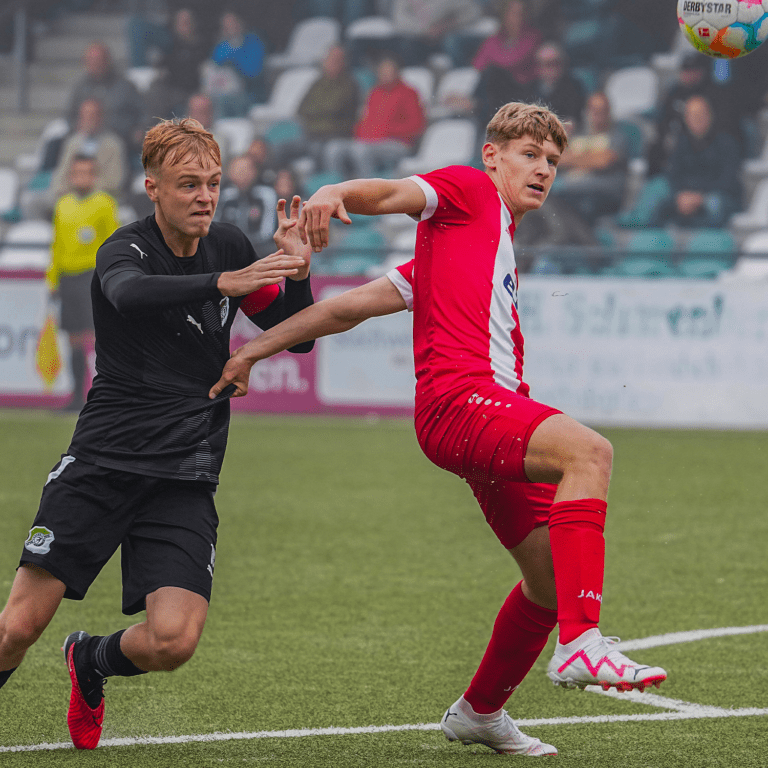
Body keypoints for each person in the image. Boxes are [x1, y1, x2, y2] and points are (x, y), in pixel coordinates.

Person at [210, 101, 667, 757]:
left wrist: (254, 350)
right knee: (590, 453)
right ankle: (582, 643)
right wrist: (338, 191)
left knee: (545, 585)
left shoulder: (466, 246)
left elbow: (345, 310)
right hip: (463, 404)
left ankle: (479, 713)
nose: (543, 170)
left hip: (473, 418)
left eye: (553, 162)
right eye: (529, 155)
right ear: (493, 156)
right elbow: (396, 193)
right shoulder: (470, 189)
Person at [0, 118, 314, 750]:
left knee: (173, 642)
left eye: (214, 184)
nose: (205, 196)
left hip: (184, 477)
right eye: (188, 184)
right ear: (152, 186)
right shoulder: (125, 249)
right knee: (17, 628)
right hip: (102, 464)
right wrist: (222, 284)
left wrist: (298, 270)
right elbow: (128, 294)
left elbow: (298, 335)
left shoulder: (229, 244)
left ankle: (90, 659)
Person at [47, 154, 121, 413]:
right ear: (70, 176)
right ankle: (77, 396)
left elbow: (113, 242)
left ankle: (105, 396)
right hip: (67, 276)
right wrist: (52, 278)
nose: (82, 177)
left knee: (97, 337)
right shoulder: (63, 205)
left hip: (91, 276)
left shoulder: (104, 204)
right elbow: (56, 244)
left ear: (95, 176)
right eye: (78, 172)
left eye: (88, 172)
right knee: (73, 339)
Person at [324, 54, 426, 180]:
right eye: (382, 71)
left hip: (398, 143)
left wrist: (384, 131)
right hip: (370, 141)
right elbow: (365, 121)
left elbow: (416, 126)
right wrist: (363, 134)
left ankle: (367, 193)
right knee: (333, 148)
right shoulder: (375, 92)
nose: (385, 74)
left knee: (360, 150)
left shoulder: (409, 93)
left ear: (397, 72)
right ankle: (336, 189)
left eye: (389, 70)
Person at [656, 94, 742, 228]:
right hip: (686, 195)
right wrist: (682, 195)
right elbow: (673, 175)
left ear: (710, 115)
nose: (696, 118)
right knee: (660, 196)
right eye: (692, 114)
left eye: (700, 114)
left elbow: (728, 180)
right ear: (686, 118)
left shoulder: (727, 143)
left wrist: (699, 197)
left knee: (715, 204)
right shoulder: (681, 144)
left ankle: (706, 243)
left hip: (719, 195)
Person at [546, 91, 629, 223]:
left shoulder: (618, 136)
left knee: (556, 188)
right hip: (573, 184)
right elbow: (557, 159)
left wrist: (574, 158)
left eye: (603, 110)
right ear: (587, 111)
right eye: (594, 109)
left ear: (609, 112)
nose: (598, 114)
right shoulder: (577, 134)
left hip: (601, 186)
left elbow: (603, 162)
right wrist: (589, 159)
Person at [51, 98, 127, 204]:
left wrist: (85, 185)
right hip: (70, 194)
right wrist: (67, 191)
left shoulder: (113, 145)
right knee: (32, 201)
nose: (88, 120)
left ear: (100, 118)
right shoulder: (72, 143)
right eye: (84, 116)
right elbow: (61, 174)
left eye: (92, 115)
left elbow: (115, 181)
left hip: (102, 196)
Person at [216, 154, 278, 252]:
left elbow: (267, 233)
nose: (243, 174)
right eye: (238, 170)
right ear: (230, 173)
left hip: (260, 251)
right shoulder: (225, 196)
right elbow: (216, 227)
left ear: (255, 172)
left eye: (247, 169)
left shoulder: (266, 195)